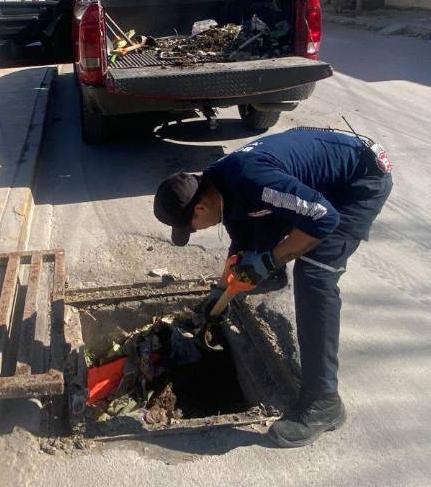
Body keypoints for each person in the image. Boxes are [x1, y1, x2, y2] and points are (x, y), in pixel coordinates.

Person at [153, 127, 393, 448]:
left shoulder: (252, 182)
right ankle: (272, 274)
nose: (193, 232)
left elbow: (323, 219)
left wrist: (269, 261)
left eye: (190, 228)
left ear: (199, 209)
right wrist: (221, 289)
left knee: (314, 276)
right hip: (315, 182)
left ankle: (324, 403)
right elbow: (243, 240)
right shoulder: (217, 183)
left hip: (357, 181)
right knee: (258, 239)